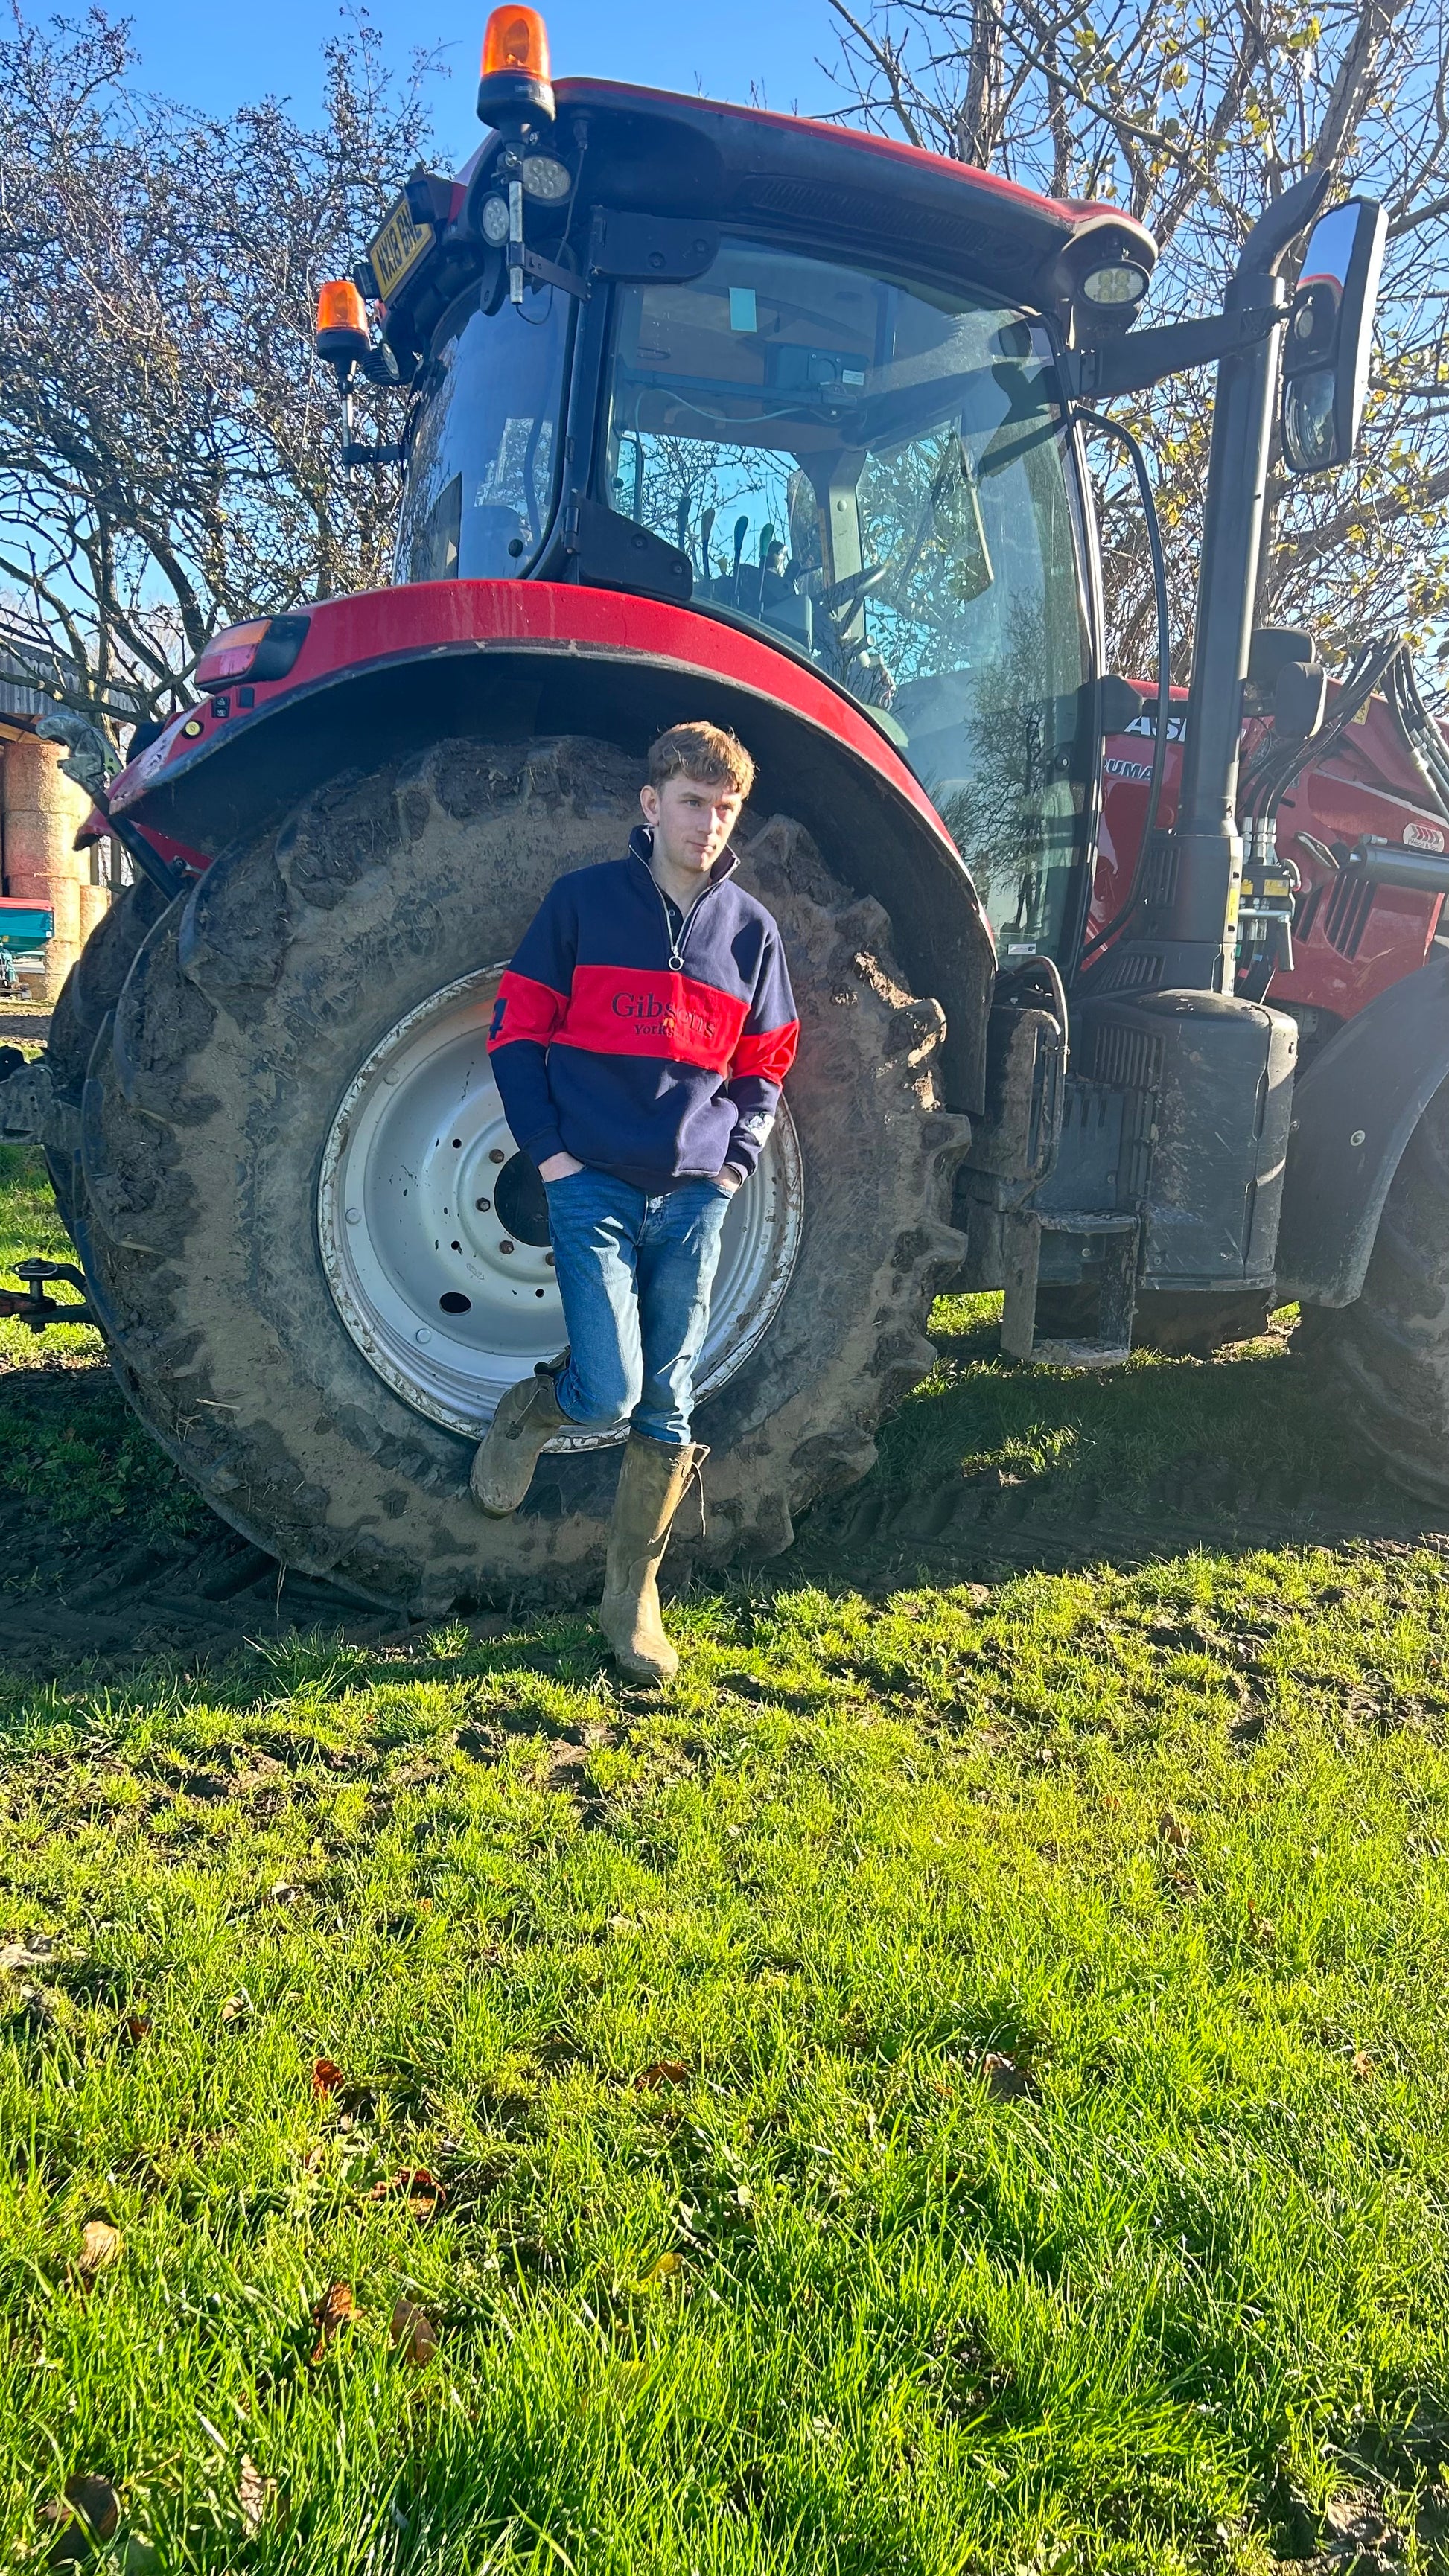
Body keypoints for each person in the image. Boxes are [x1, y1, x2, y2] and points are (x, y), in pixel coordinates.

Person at [472, 721, 799, 1682]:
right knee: (607, 1389)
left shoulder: (750, 932)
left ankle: (632, 1599)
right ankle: (537, 1409)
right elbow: (515, 1031)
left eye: (723, 809)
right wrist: (554, 1158)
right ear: (650, 805)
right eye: (691, 803)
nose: (706, 824)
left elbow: (767, 1064)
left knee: (669, 1396)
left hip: (694, 1196)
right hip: (592, 1187)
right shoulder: (580, 905)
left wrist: (733, 1164)